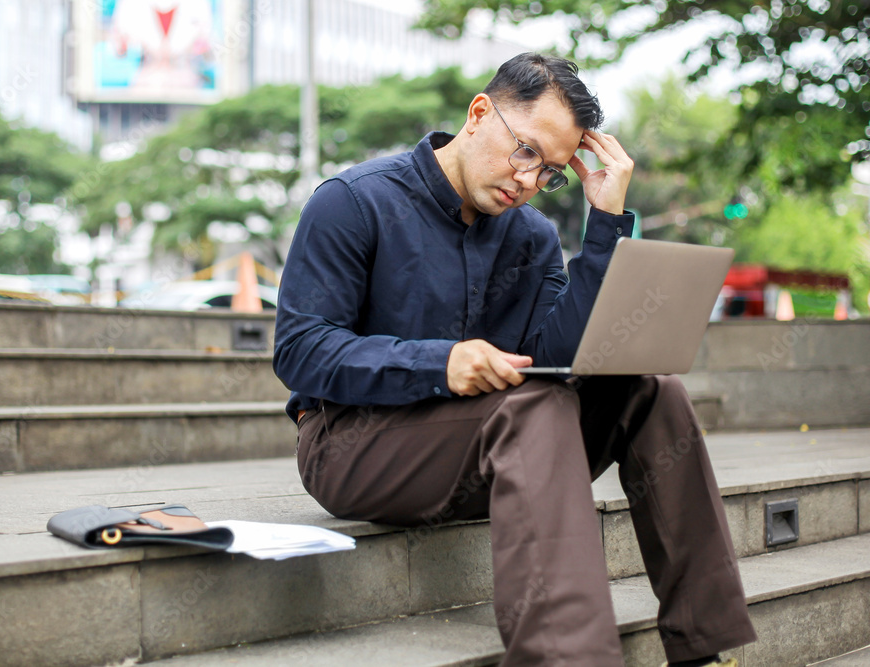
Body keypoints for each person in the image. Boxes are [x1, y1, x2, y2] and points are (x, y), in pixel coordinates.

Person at [273, 52, 757, 666]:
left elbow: (560, 356)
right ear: (480, 113)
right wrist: (437, 362)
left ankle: (704, 649)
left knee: (654, 391)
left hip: (500, 446)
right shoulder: (353, 202)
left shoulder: (530, 235)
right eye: (525, 151)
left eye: (551, 171)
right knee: (532, 409)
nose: (529, 181)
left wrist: (604, 222)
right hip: (353, 445)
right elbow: (299, 349)